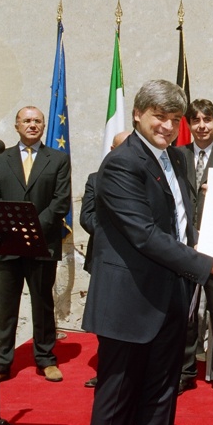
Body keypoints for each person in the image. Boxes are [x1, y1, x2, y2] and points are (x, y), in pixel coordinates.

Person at [81, 80, 213, 425]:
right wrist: (208, 264)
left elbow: (181, 223)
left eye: (175, 119)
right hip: (129, 301)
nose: (168, 127)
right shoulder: (121, 163)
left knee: (161, 395)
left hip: (173, 296)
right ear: (137, 114)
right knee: (116, 398)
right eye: (159, 116)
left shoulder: (177, 158)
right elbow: (144, 235)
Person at [0, 106, 71, 382]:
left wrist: (33, 228)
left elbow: (61, 201)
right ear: (16, 126)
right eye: (26, 120)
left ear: (43, 126)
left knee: (42, 303)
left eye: (37, 121)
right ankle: (1, 363)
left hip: (43, 244)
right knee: (3, 308)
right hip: (7, 244)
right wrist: (14, 228)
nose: (32, 125)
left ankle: (46, 358)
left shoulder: (58, 159)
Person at [177, 99, 213, 399]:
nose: (202, 126)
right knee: (185, 313)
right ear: (189, 124)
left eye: (207, 120)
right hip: (185, 245)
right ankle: (185, 371)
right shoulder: (176, 155)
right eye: (196, 120)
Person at [79, 130, 130, 388]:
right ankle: (108, 372)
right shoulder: (95, 179)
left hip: (139, 263)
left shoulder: (147, 177)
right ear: (111, 149)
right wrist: (115, 234)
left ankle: (133, 372)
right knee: (107, 321)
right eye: (121, 147)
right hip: (105, 258)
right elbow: (86, 216)